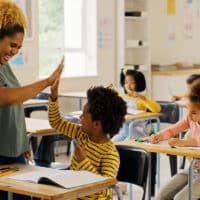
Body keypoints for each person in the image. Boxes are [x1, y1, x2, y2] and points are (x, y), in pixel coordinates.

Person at [0, 1, 64, 199]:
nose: (14, 52)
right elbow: (7, 98)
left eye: (18, 47)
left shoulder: (4, 66)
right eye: (12, 45)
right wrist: (46, 81)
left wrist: (23, 143)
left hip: (13, 150)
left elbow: (15, 108)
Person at [49, 81, 127, 200]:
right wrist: (54, 98)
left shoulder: (110, 154)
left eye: (84, 115)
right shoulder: (81, 134)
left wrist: (83, 161)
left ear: (96, 124)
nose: (80, 118)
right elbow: (56, 122)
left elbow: (102, 190)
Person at [149, 79, 200, 200]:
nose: (188, 115)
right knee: (161, 196)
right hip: (193, 169)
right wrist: (160, 135)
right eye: (188, 109)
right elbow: (173, 130)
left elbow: (195, 141)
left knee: (179, 198)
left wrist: (186, 143)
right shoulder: (190, 119)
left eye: (193, 112)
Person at [111, 69, 161, 142]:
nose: (128, 85)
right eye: (126, 82)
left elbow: (157, 109)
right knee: (112, 143)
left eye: (132, 82)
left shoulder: (141, 99)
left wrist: (142, 98)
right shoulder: (121, 97)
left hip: (137, 132)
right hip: (123, 131)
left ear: (138, 84)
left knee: (124, 144)